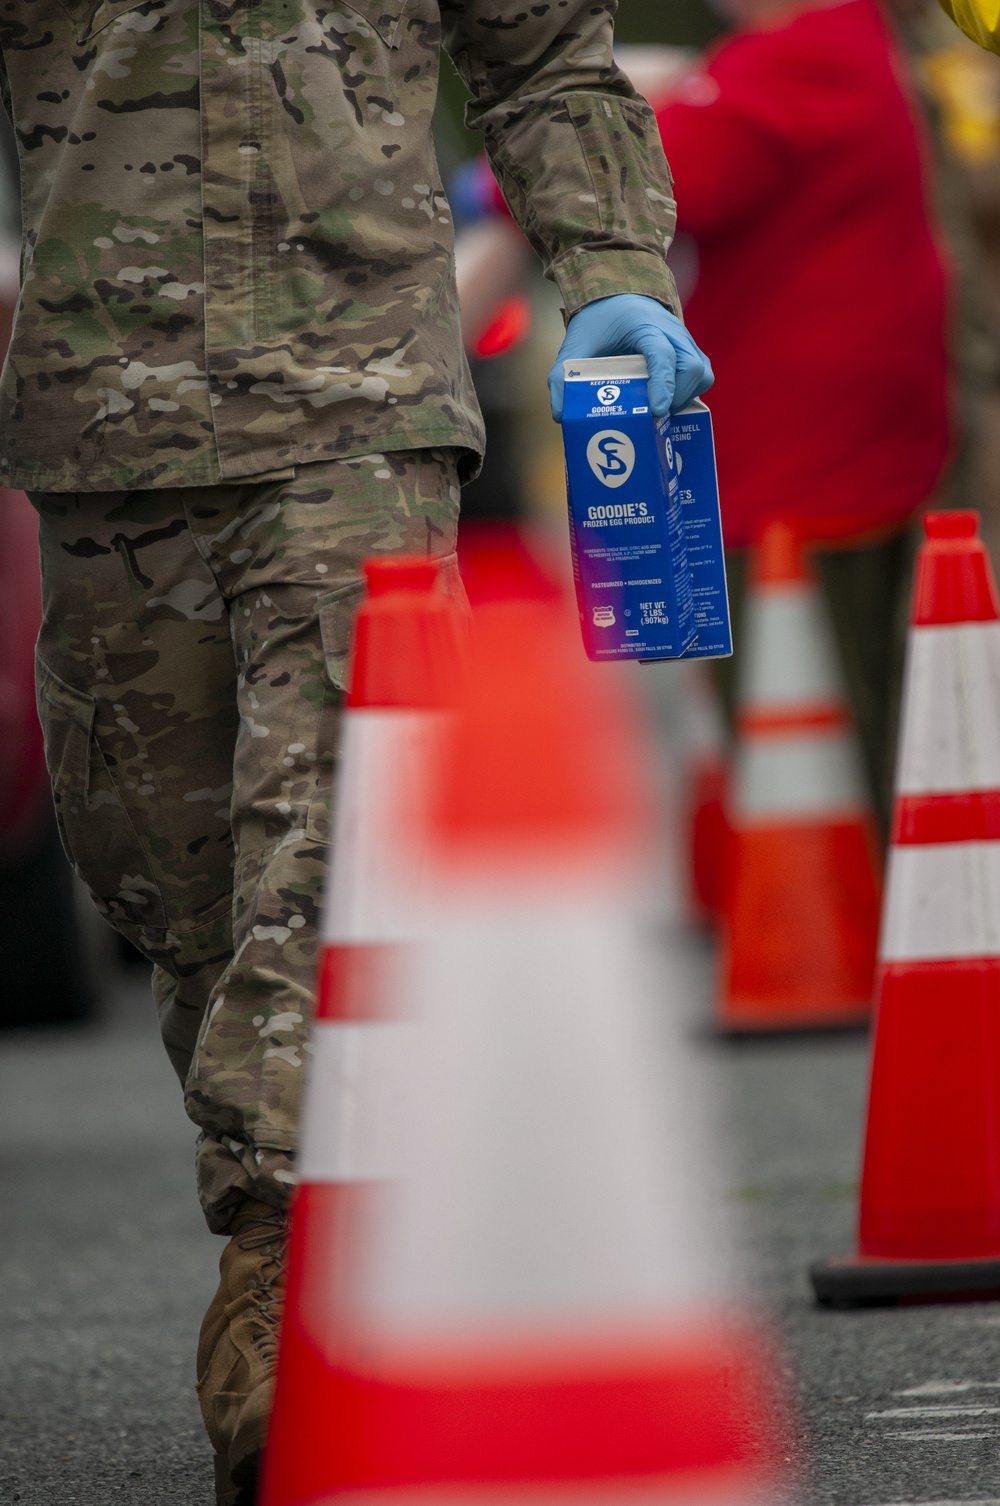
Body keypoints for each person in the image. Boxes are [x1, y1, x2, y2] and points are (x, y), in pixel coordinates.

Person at [0, 2, 711, 1499]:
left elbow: (547, 61)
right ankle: (294, 1213)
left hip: (357, 411)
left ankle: (296, 1265)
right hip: (101, 431)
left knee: (326, 833)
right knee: (175, 886)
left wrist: (613, 273)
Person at [654, 0, 951, 828]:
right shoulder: (851, 45)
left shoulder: (795, 60)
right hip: (844, 461)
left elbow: (651, 183)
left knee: (806, 750)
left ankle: (832, 937)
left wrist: (492, 181)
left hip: (797, 478)